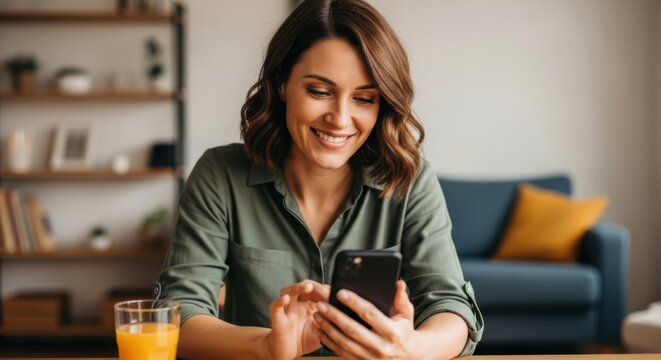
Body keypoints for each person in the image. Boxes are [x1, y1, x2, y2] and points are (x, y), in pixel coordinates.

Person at [156, 0, 484, 358]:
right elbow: (179, 315)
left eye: (364, 98)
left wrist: (411, 349)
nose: (341, 119)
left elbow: (451, 306)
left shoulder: (410, 179)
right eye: (319, 91)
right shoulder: (220, 174)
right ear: (282, 84)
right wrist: (268, 347)